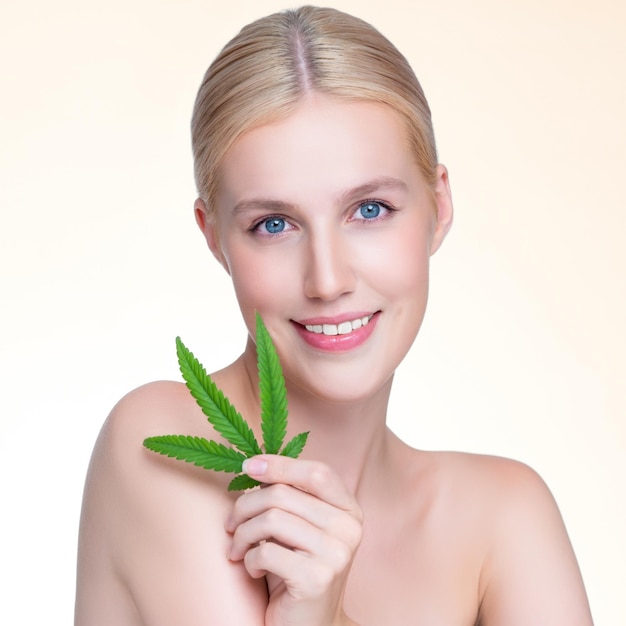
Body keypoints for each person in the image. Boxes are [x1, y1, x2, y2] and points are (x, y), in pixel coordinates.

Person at [75, 6, 594, 625]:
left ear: (439, 202)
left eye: (369, 210)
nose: (328, 279)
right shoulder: (164, 449)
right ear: (213, 236)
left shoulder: (504, 514)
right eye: (274, 224)